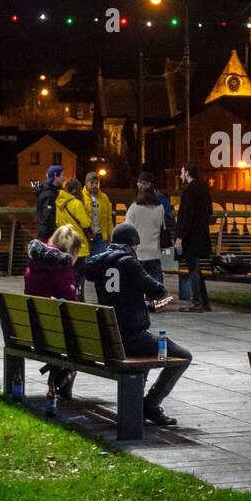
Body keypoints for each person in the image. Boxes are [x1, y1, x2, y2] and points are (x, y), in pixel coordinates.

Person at [84, 222, 189, 426]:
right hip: (130, 338)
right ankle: (151, 404)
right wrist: (154, 298)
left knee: (147, 349)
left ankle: (140, 406)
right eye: (136, 246)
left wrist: (142, 303)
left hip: (109, 338)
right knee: (183, 355)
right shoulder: (129, 263)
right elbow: (158, 290)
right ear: (131, 244)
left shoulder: (99, 264)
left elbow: (119, 297)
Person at [23, 226, 82, 414]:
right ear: (73, 251)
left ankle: (60, 379)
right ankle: (62, 381)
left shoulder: (34, 263)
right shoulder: (62, 268)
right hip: (55, 333)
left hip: (31, 329)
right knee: (80, 335)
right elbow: (72, 305)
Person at [175, 164, 212, 312]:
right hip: (201, 234)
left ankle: (197, 302)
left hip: (190, 236)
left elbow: (186, 215)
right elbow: (209, 210)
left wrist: (179, 237)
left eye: (182, 172)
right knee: (196, 268)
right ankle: (204, 301)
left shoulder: (189, 190)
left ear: (187, 173)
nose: (180, 176)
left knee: (193, 268)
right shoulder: (203, 189)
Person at [125, 179, 169, 297]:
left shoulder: (134, 207)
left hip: (138, 251)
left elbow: (128, 227)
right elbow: (162, 226)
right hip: (154, 251)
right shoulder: (160, 207)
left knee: (137, 282)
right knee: (155, 283)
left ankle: (139, 301)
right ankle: (156, 301)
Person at [56, 178, 93, 300]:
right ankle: (79, 298)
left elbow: (57, 222)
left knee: (68, 274)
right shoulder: (77, 204)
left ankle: (68, 297)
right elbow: (85, 223)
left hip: (65, 244)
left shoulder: (59, 204)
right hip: (79, 246)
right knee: (79, 276)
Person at [83, 170, 114, 257]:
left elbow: (109, 218)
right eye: (92, 183)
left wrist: (111, 235)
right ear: (86, 183)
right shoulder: (81, 197)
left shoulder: (104, 197)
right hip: (87, 236)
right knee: (88, 261)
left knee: (102, 260)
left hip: (102, 237)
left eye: (97, 183)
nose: (94, 185)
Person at [31, 164, 65, 240]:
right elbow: (48, 216)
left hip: (46, 234)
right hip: (48, 236)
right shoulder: (49, 195)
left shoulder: (49, 192)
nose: (64, 178)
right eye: (62, 175)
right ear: (56, 176)